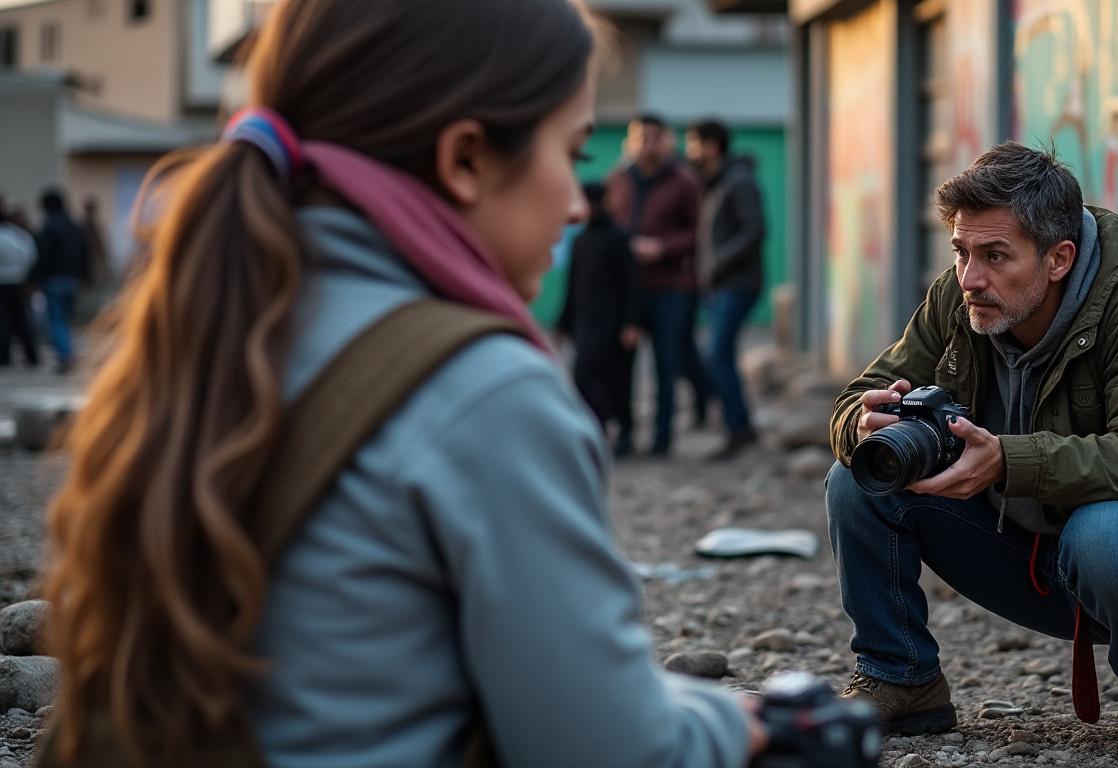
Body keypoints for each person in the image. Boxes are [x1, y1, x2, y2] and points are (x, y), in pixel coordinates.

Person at [41, 2, 762, 767]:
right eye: (574, 153)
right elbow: (613, 751)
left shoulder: (213, 324)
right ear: (466, 160)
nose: (580, 204)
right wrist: (748, 725)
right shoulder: (487, 393)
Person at [824, 142, 1118, 761]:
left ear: (1059, 258)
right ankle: (901, 676)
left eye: (995, 256)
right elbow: (856, 394)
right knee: (857, 479)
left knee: (1107, 531)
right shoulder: (961, 301)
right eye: (961, 251)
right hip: (1029, 553)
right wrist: (862, 423)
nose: (971, 277)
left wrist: (1009, 460)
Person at [606, 114, 709, 455]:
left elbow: (699, 234)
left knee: (667, 363)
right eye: (640, 137)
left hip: (671, 286)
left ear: (667, 141)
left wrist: (662, 247)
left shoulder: (683, 181)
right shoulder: (618, 179)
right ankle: (625, 434)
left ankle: (662, 439)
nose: (647, 144)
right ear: (629, 142)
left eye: (654, 137)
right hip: (625, 289)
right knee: (622, 364)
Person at [685, 119, 765, 459]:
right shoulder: (714, 182)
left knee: (717, 353)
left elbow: (754, 230)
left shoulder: (738, 182)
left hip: (736, 284)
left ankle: (737, 428)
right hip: (720, 286)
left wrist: (716, 264)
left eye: (693, 143)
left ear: (711, 146)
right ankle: (740, 426)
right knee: (721, 354)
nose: (688, 151)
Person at [557, 182, 641, 456]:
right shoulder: (581, 241)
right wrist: (563, 323)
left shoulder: (619, 238)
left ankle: (625, 433)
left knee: (618, 379)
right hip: (586, 322)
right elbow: (572, 285)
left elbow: (632, 284)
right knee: (583, 374)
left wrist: (632, 322)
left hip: (613, 323)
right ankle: (599, 428)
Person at [31, 188, 88, 373]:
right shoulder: (74, 225)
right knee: (66, 318)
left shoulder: (49, 226)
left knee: (56, 319)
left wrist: (35, 277)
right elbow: (84, 252)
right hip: (72, 278)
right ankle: (68, 351)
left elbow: (43, 255)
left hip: (54, 279)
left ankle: (65, 355)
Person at [0, 204, 40, 367]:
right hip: (19, 280)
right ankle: (31, 356)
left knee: (3, 321)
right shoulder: (19, 235)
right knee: (21, 319)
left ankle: (3, 356)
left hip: (2, 282)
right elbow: (31, 256)